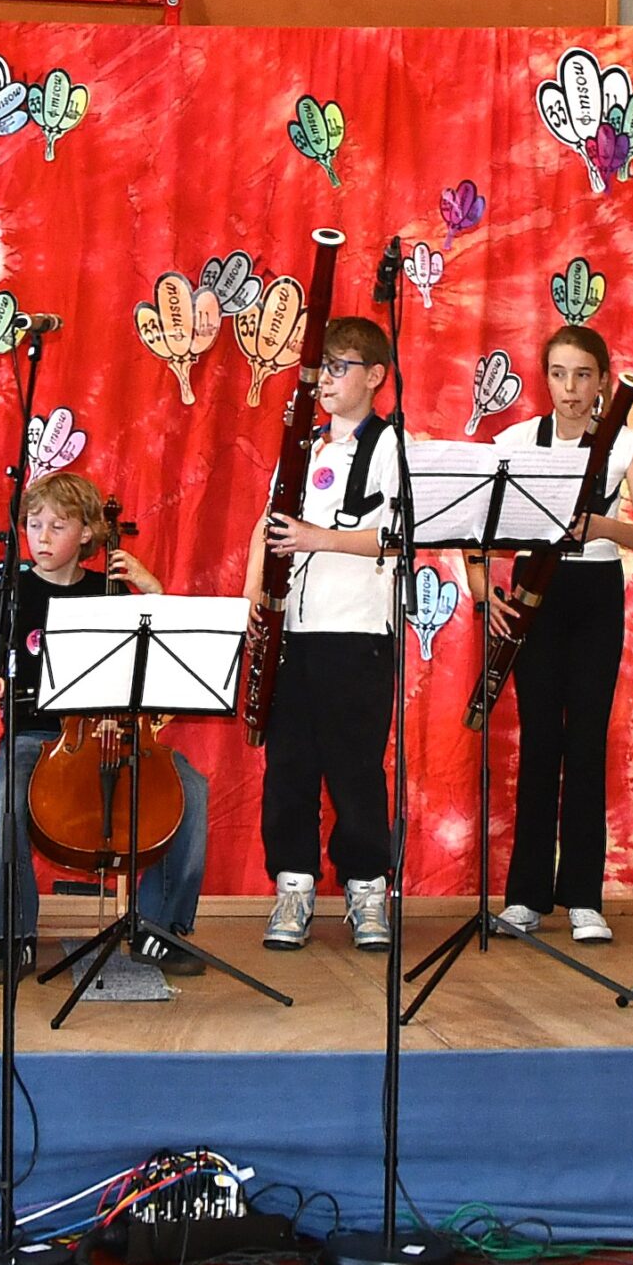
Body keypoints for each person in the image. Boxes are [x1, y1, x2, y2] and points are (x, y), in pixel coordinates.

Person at [0, 472, 211, 984]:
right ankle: (13, 935)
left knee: (190, 789)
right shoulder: (12, 592)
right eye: (34, 525)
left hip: (118, 736)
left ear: (87, 534)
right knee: (3, 793)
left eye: (57, 526)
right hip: (36, 739)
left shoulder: (112, 592)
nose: (41, 537)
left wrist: (152, 590)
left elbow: (169, 658)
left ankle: (159, 929)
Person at [468, 325, 633, 944]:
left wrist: (599, 525)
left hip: (595, 592)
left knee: (585, 744)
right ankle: (525, 897)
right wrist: (485, 594)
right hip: (535, 594)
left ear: (603, 380)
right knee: (538, 744)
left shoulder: (625, 444)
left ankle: (583, 897)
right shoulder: (516, 442)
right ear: (545, 378)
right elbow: (475, 533)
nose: (570, 388)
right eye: (558, 374)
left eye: (582, 375)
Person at [243, 315, 403, 953]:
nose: (326, 380)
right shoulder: (302, 445)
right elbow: (266, 526)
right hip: (293, 629)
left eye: (341, 368)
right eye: (323, 368)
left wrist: (319, 538)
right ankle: (294, 885)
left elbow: (398, 538)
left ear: (375, 376)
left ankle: (367, 889)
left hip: (356, 631)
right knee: (289, 766)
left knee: (355, 768)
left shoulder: (392, 447)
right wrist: (253, 595)